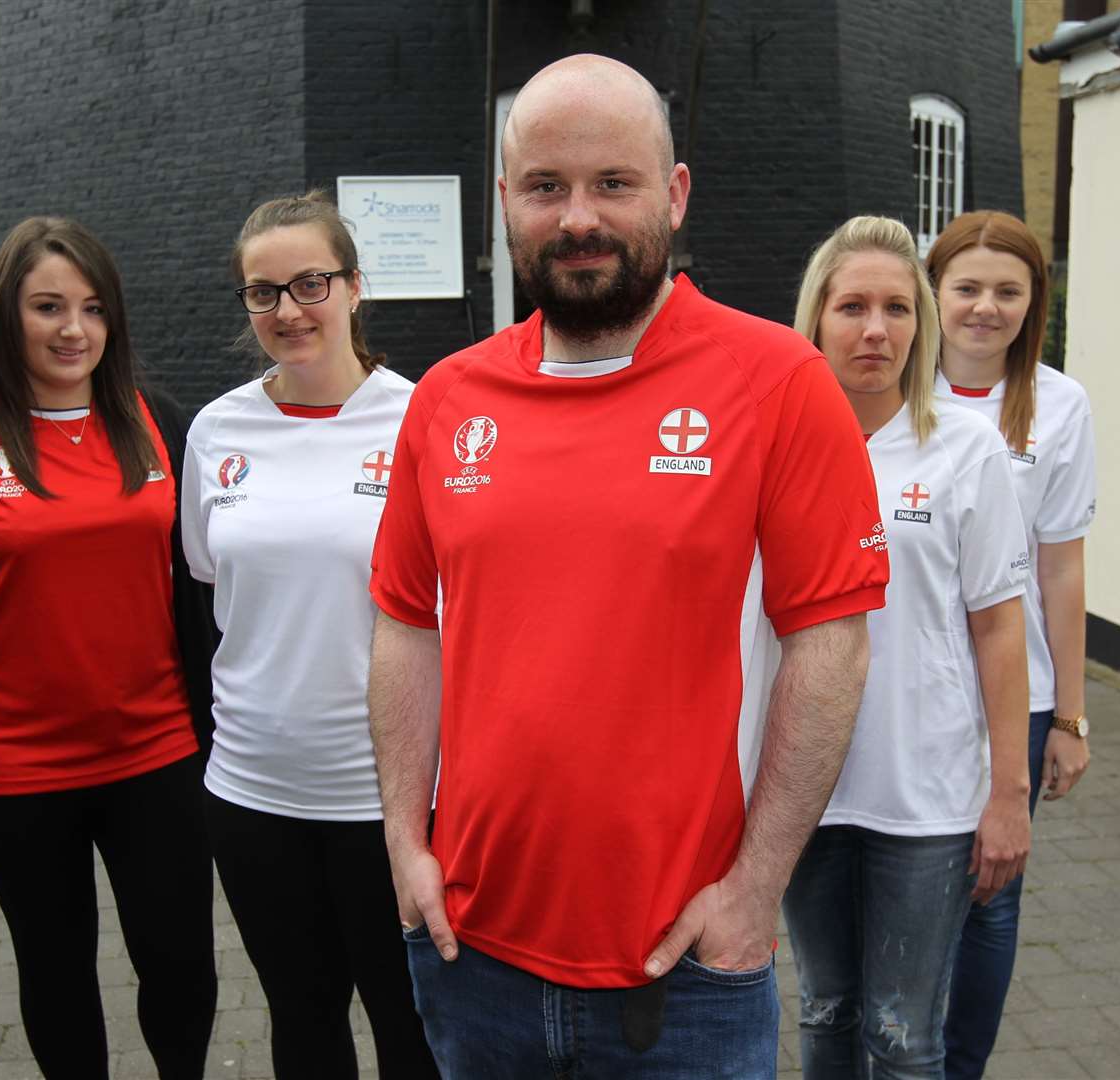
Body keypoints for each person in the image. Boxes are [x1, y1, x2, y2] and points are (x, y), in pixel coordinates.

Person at [366, 54, 890, 1078]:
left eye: (614, 183)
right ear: (506, 201)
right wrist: (401, 839)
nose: (578, 219)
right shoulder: (447, 398)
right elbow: (403, 623)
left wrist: (755, 887)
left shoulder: (776, 382)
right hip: (469, 954)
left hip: (686, 970)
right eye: (546, 186)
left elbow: (831, 647)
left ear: (676, 193)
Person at [0, 217, 218, 1080]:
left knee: (182, 965)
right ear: (7, 316)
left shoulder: (159, 422)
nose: (74, 330)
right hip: (21, 772)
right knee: (58, 973)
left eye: (93, 308)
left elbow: (210, 587)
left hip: (160, 756)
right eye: (48, 307)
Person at [181, 192, 439, 1080]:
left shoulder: (424, 420)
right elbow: (212, 586)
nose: (288, 310)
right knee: (303, 1023)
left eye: (310, 283)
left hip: (390, 801)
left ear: (356, 287)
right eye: (263, 292)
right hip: (253, 793)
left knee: (411, 1029)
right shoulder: (216, 431)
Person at [780, 216, 1032, 1079]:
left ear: (921, 324)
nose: (875, 329)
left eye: (896, 307)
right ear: (816, 318)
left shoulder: (965, 451)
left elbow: (1000, 626)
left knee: (902, 1036)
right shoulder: (773, 450)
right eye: (852, 306)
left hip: (925, 801)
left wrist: (1009, 793)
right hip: (801, 790)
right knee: (824, 1012)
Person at [928, 210, 1097, 1080]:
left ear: (1034, 304)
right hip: (908, 689)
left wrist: (1069, 714)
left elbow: (1061, 572)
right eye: (967, 287)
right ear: (936, 292)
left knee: (989, 901)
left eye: (1008, 291)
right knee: (898, 886)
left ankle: (957, 1069)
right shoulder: (888, 391)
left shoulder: (1060, 406)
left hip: (1014, 698)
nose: (985, 308)